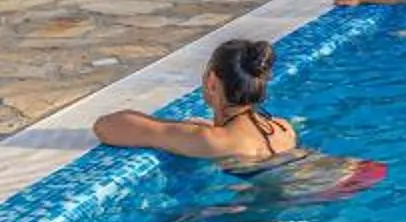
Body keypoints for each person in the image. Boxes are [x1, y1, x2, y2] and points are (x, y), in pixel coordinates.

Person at [95, 36, 301, 171]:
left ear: (212, 82)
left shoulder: (211, 139)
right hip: (325, 183)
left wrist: (176, 130)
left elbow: (106, 127)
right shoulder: (283, 128)